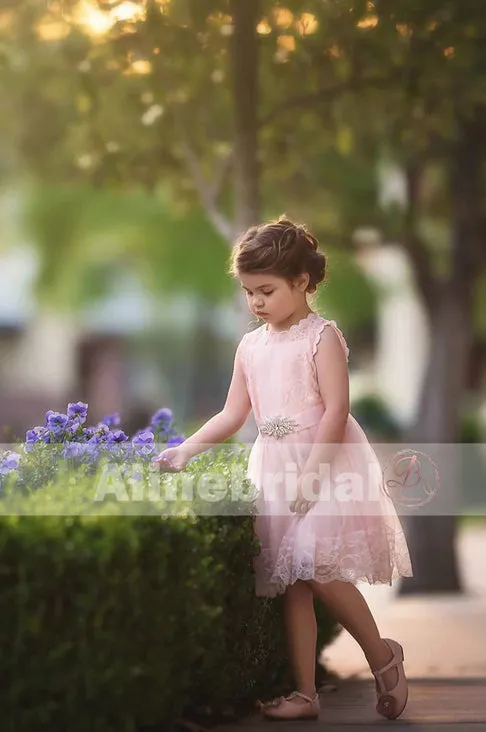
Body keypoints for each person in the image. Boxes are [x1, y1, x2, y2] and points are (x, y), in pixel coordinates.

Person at [153, 216, 413, 722]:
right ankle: (304, 693)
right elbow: (233, 413)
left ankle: (383, 657)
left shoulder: (323, 338)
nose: (256, 303)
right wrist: (188, 448)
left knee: (316, 568)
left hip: (323, 463)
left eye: (266, 291)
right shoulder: (251, 346)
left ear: (301, 281)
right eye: (249, 293)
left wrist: (313, 475)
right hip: (274, 468)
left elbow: (336, 410)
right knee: (293, 581)